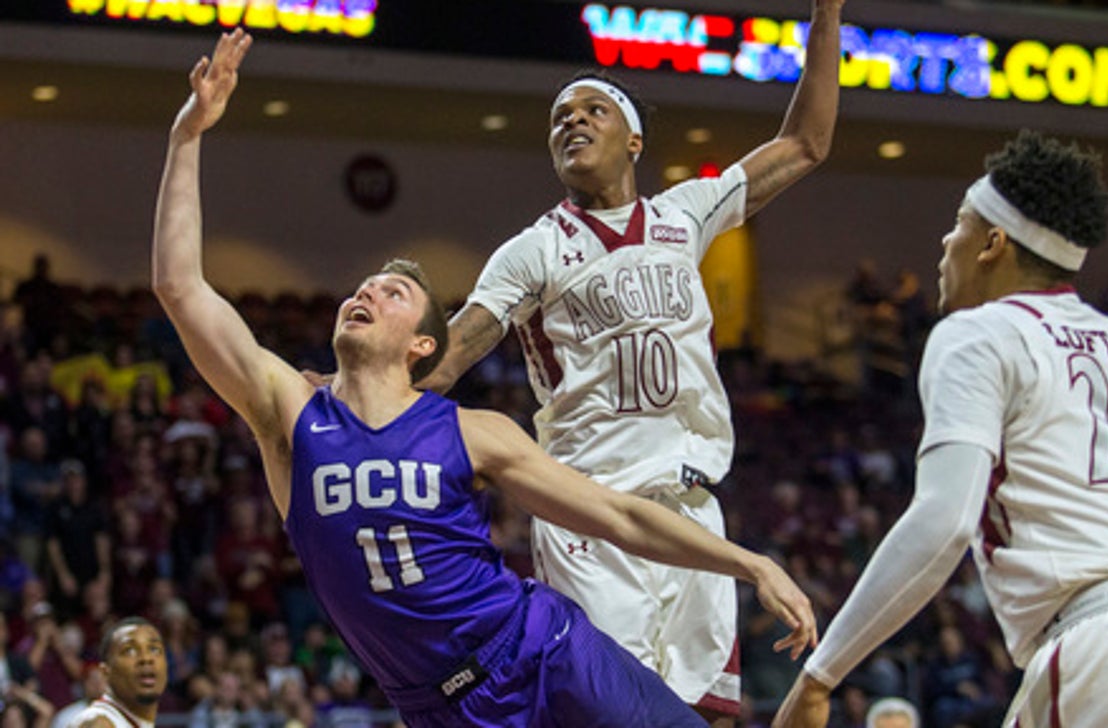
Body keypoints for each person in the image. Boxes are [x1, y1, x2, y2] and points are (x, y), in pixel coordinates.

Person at [152, 30, 816, 728]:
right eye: (363, 288)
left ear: (422, 346)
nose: (368, 293)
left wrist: (752, 565)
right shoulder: (293, 415)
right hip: (438, 706)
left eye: (392, 293)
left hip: (542, 653)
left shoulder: (470, 432)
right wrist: (187, 136)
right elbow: (179, 287)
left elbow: (617, 515)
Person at [419, 2, 844, 722]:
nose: (572, 122)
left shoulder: (687, 214)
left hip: (691, 510)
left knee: (708, 715)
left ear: (634, 138)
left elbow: (805, 143)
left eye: (592, 110)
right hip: (593, 512)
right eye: (559, 117)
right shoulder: (537, 249)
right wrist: (347, 398)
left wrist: (826, 17)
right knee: (615, 715)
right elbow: (455, 351)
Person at [772, 131, 1108, 728]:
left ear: (992, 243)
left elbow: (945, 520)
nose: (944, 239)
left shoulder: (978, 333)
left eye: (958, 223)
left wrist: (821, 673)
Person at [67, 617, 168, 728]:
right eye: (130, 650)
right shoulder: (98, 723)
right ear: (105, 673)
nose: (146, 658)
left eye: (154, 649)